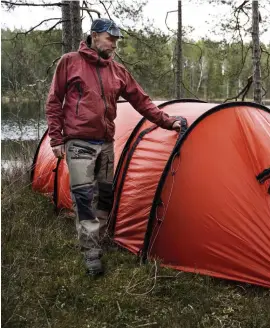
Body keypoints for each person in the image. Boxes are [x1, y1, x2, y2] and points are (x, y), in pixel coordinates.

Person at [45, 18, 181, 276]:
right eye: (111, 38)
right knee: (84, 198)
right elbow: (54, 102)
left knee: (105, 196)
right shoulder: (70, 62)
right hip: (79, 143)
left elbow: (142, 102)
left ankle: (98, 237)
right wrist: (56, 139)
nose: (115, 44)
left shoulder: (118, 71)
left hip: (105, 144)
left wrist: (168, 122)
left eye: (117, 40)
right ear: (95, 36)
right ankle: (91, 252)